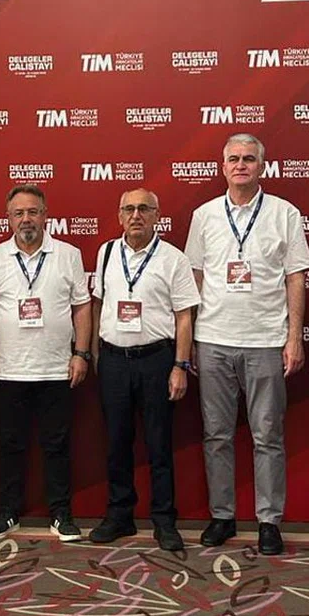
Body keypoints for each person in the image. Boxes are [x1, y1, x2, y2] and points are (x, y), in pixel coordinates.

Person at [184, 134, 309, 555]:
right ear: (223, 166)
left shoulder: (284, 213)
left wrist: (294, 337)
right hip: (213, 339)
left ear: (262, 165)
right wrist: (191, 339)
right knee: (216, 435)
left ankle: (269, 521)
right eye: (234, 159)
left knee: (268, 435)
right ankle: (222, 516)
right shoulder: (204, 215)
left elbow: (296, 276)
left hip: (266, 340)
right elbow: (195, 277)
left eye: (249, 159)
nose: (241, 165)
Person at [0, 184, 91, 543]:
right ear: (9, 218)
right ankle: (8, 512)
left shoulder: (68, 254)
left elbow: (82, 307)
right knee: (11, 445)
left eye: (33, 212)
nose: (26, 219)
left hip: (57, 368)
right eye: (19, 213)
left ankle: (61, 514)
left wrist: (81, 353)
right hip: (9, 369)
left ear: (45, 215)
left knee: (57, 446)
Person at [90, 188, 199, 551]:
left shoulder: (173, 259)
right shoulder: (106, 253)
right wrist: (95, 354)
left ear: (157, 215)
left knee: (158, 444)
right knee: (116, 442)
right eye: (129, 209)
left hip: (156, 360)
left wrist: (180, 365)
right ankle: (119, 515)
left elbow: (184, 317)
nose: (136, 215)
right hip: (114, 361)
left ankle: (164, 521)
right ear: (119, 216)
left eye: (144, 209)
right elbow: (98, 305)